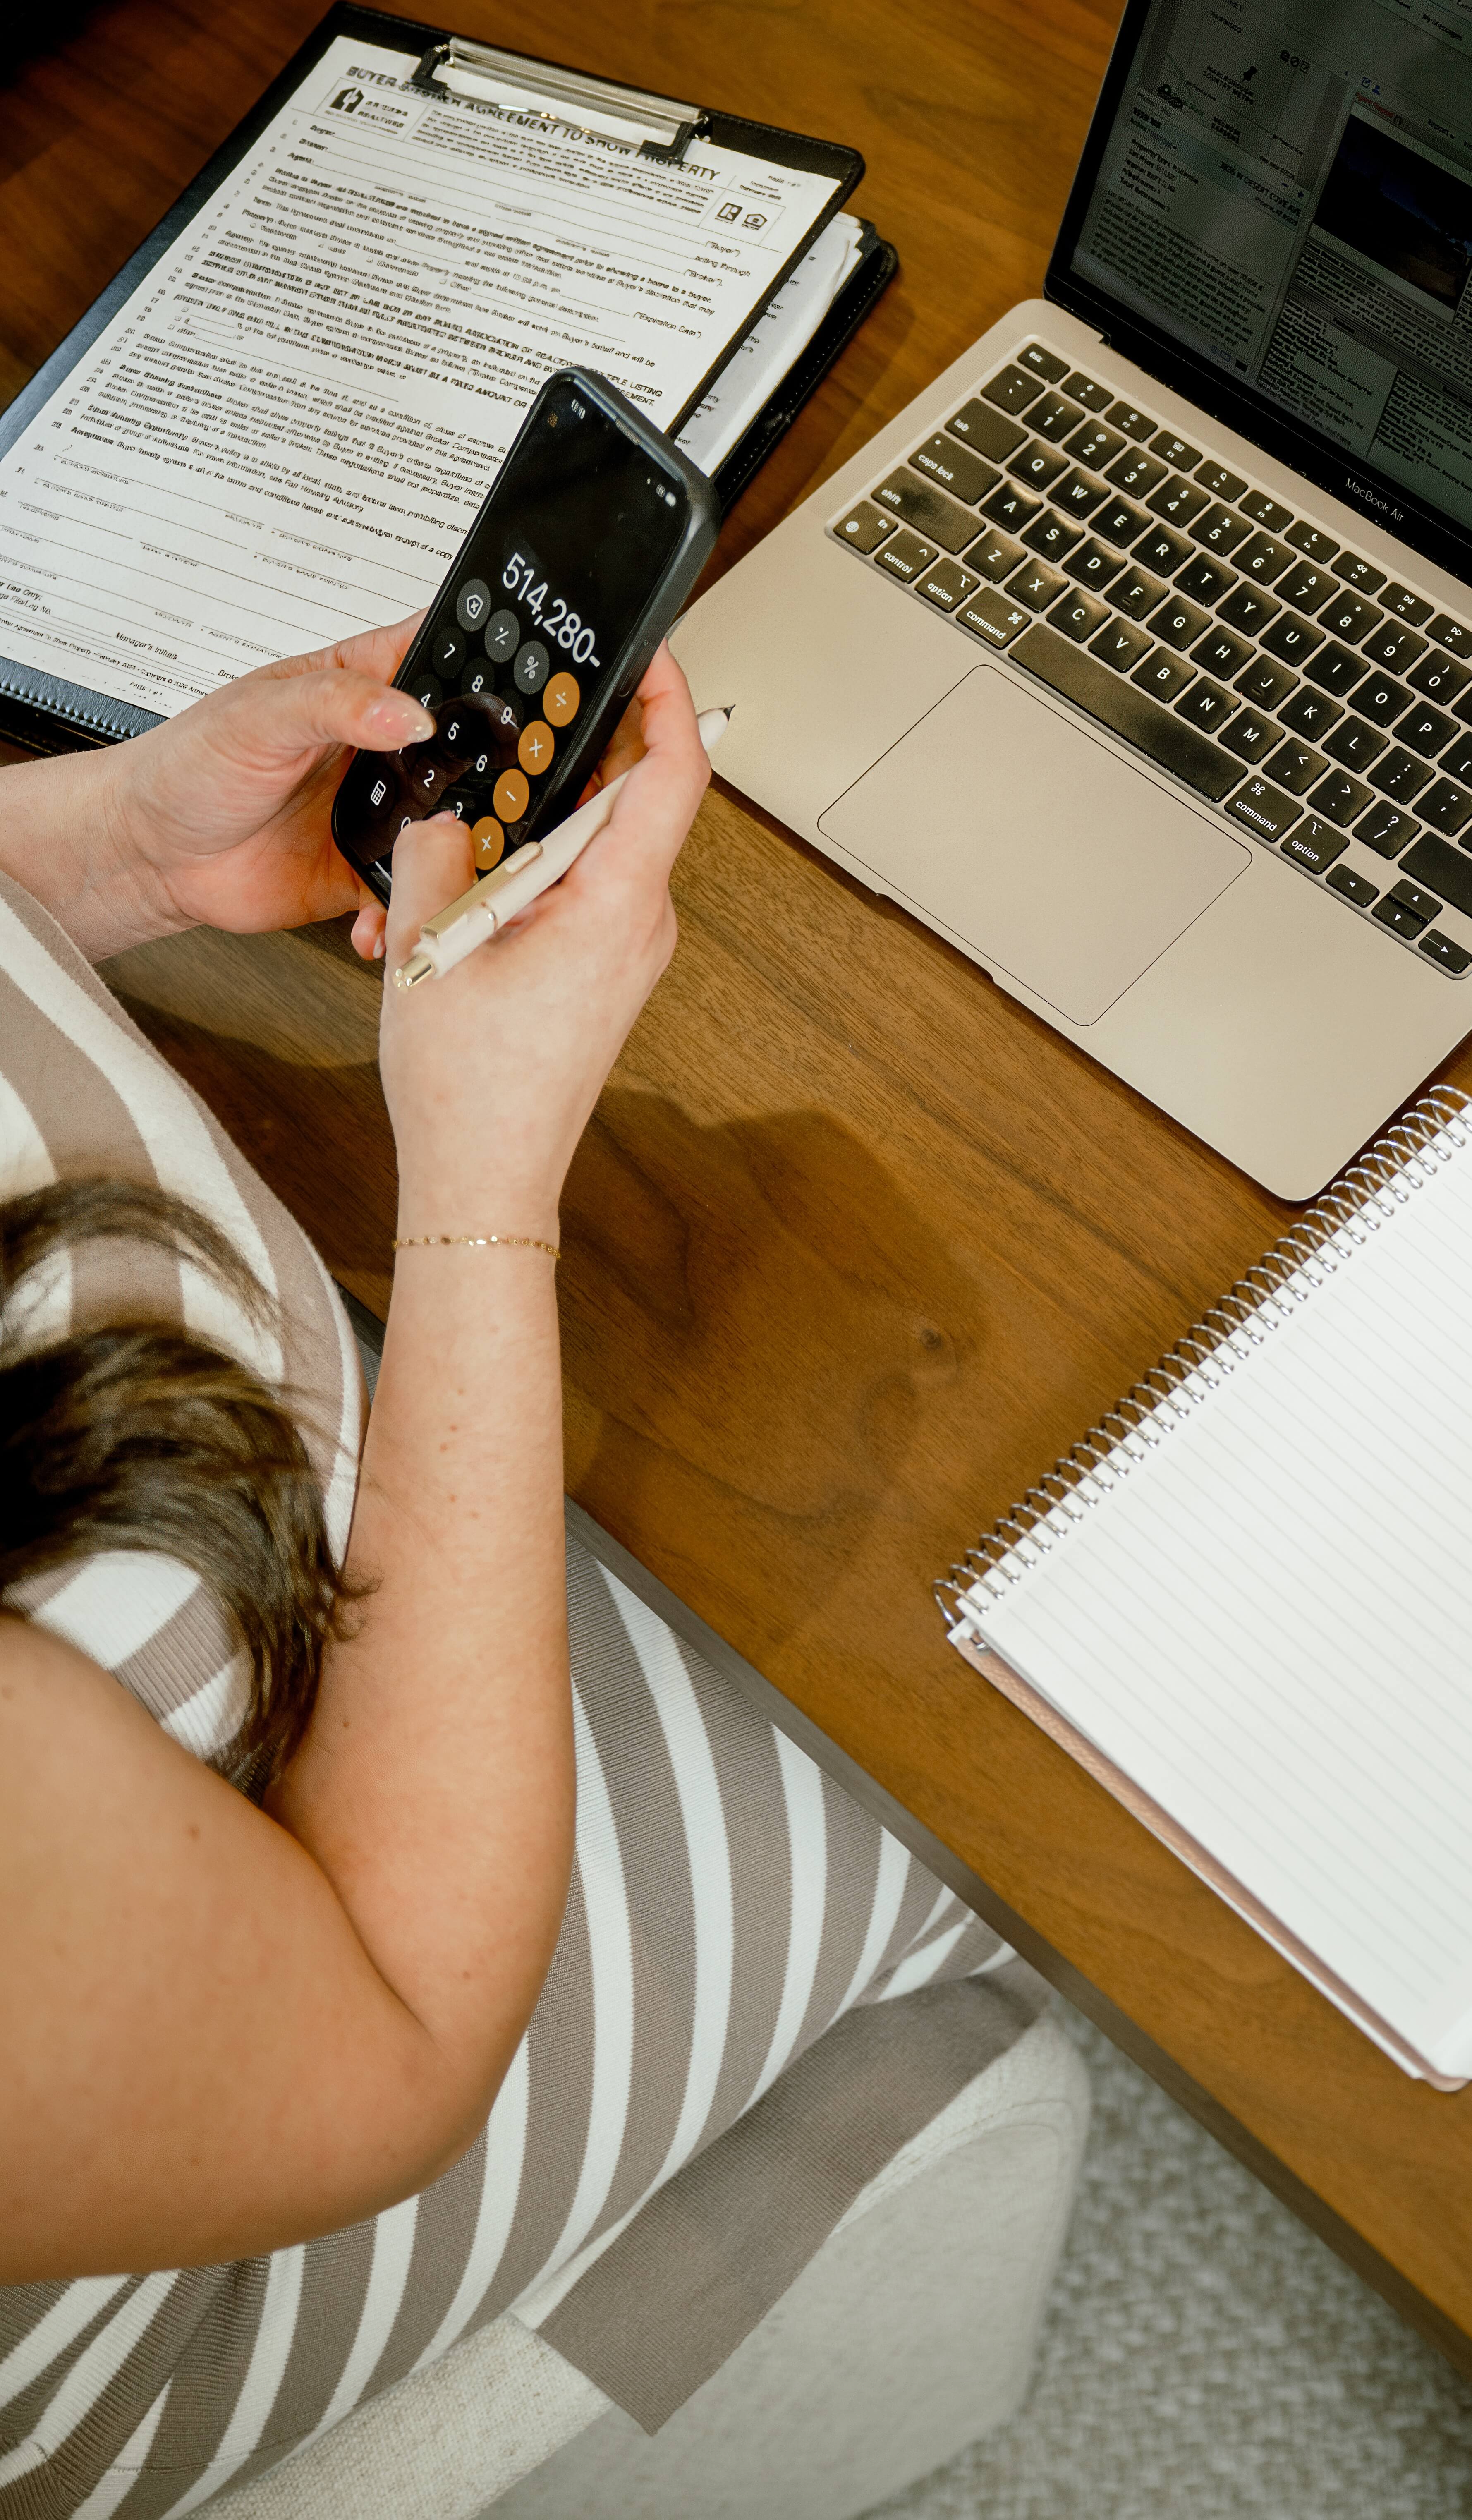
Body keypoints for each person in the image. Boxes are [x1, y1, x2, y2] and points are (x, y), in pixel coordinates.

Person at [0, 625, 1032, 2518]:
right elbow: (396, 2031)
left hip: (242, 1541)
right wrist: (482, 1190)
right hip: (188, 2214)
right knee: (965, 1790)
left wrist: (103, 855)